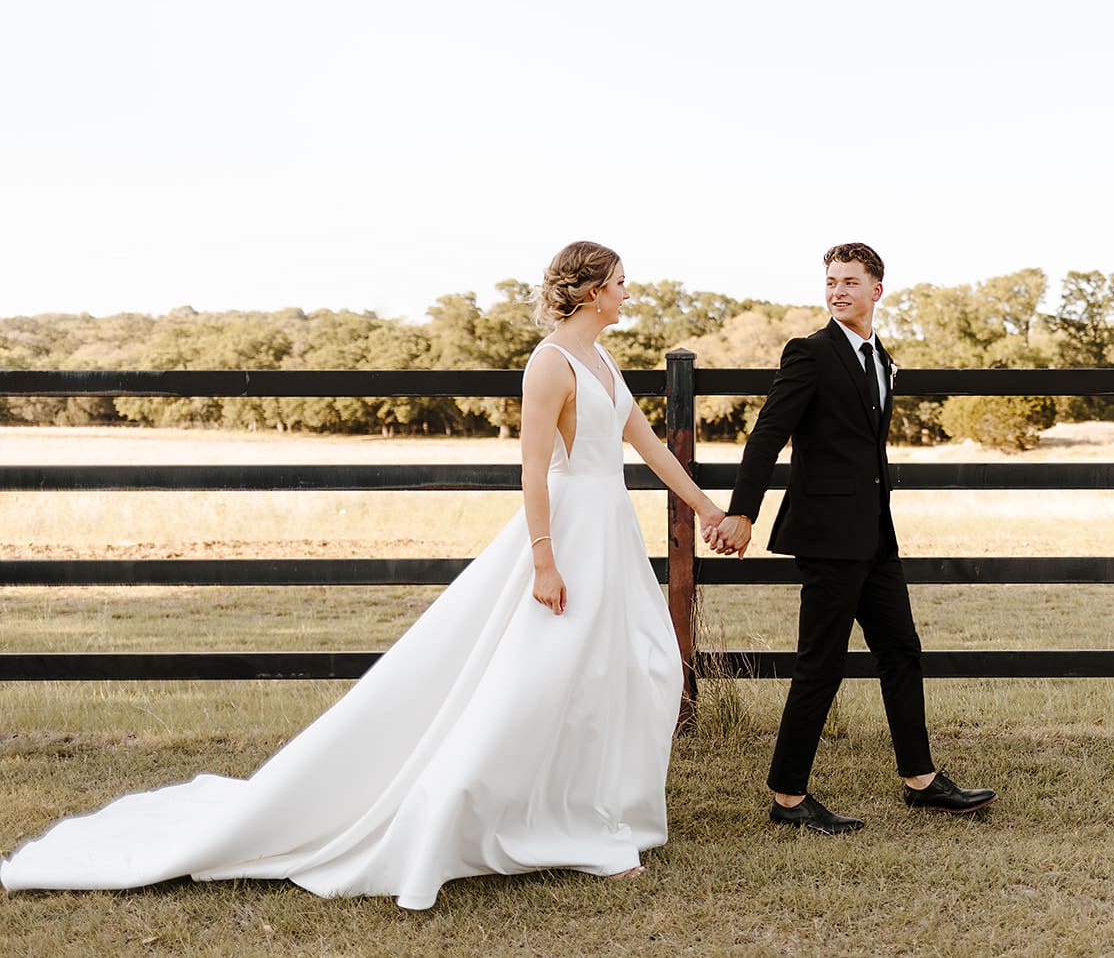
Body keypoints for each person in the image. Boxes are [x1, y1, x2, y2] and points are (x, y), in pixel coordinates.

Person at [1, 241, 726, 909]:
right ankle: (516, 816)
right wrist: (542, 557)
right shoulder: (550, 363)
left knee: (632, 670)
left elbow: (652, 448)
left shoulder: (605, 362)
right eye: (621, 283)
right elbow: (534, 467)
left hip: (611, 531)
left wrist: (708, 508)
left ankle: (592, 811)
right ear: (594, 289)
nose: (629, 293)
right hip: (567, 528)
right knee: (547, 677)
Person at [706, 242, 995, 834]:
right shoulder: (809, 354)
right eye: (830, 282)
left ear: (876, 290)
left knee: (901, 650)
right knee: (821, 663)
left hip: (875, 537)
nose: (837, 291)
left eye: (849, 282)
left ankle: (920, 780)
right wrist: (742, 512)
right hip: (828, 537)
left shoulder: (881, 358)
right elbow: (767, 437)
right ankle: (788, 797)